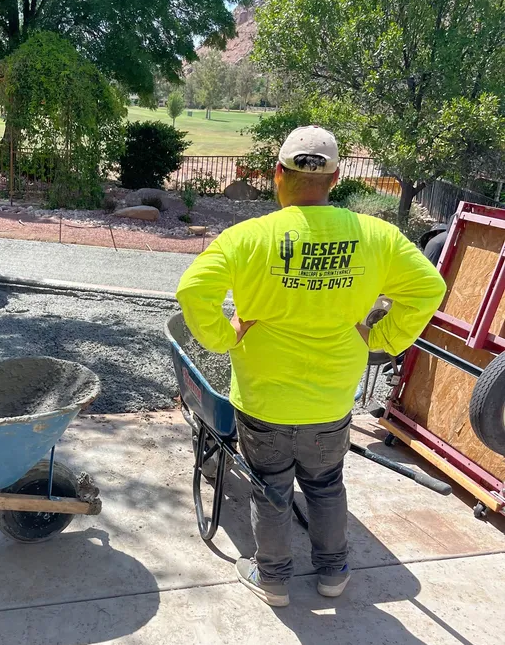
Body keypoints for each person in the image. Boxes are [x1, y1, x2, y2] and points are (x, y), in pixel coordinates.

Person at [176, 126, 446, 608]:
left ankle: (273, 580)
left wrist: (225, 336)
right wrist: (382, 338)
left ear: (278, 174)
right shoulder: (376, 236)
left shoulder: (247, 238)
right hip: (330, 399)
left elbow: (194, 291)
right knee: (325, 485)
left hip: (264, 400)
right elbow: (429, 287)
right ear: (335, 178)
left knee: (271, 489)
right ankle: (333, 573)